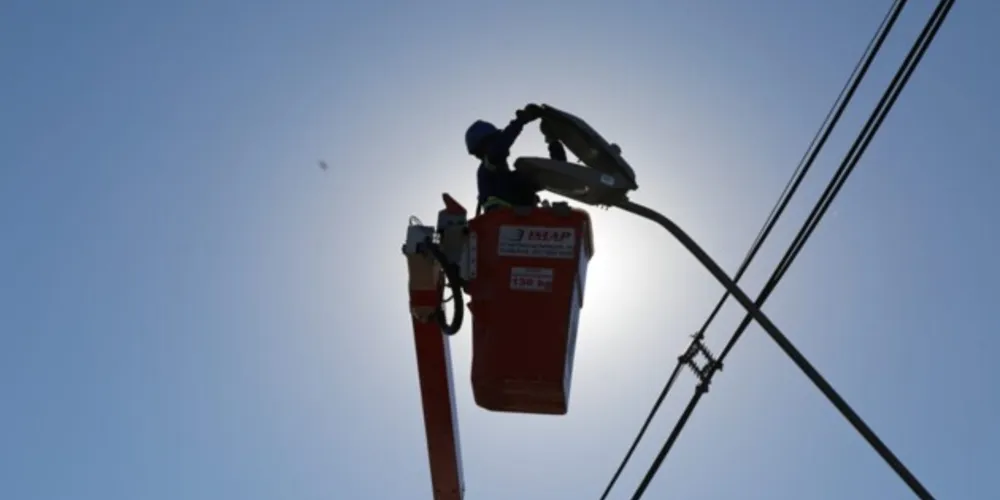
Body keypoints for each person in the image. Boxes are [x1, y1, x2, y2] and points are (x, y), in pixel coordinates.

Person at [465, 104, 568, 214]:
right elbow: (500, 147)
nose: (500, 141)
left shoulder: (513, 179)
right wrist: (522, 120)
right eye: (495, 139)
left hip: (524, 227)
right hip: (502, 225)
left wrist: (552, 141)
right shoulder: (487, 168)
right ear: (482, 148)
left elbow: (556, 174)